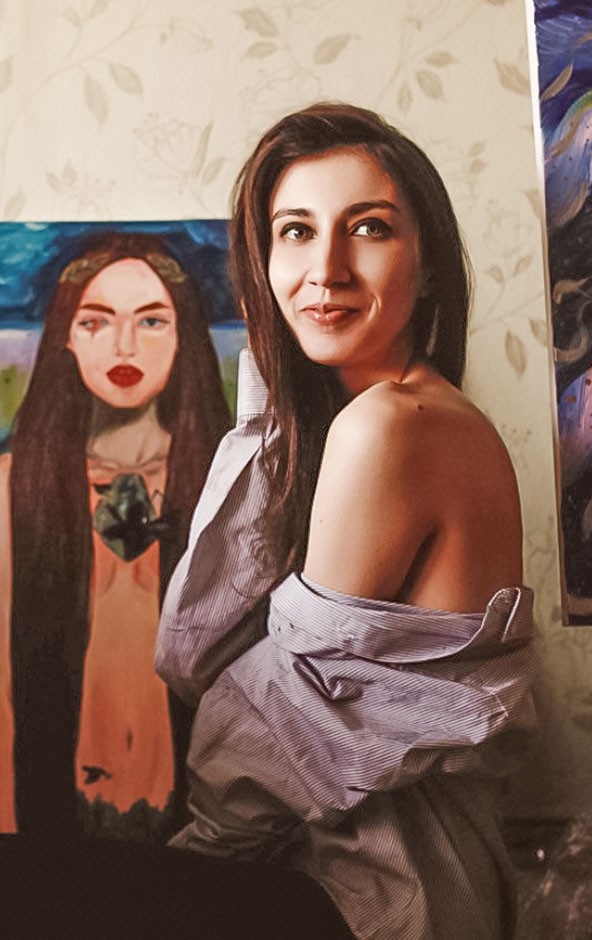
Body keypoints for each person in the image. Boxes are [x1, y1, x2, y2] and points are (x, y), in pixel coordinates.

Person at [156, 102, 537, 940]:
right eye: (294, 232)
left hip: (380, 895)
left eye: (367, 228)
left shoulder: (389, 426)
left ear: (428, 267)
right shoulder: (371, 417)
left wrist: (182, 871)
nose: (324, 269)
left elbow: (271, 730)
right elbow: (200, 648)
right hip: (365, 876)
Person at [0, 231, 231, 839]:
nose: (124, 345)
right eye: (96, 322)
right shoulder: (12, 486)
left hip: (203, 824)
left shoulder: (229, 484)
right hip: (51, 816)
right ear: (66, 338)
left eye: (151, 321)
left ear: (183, 337)